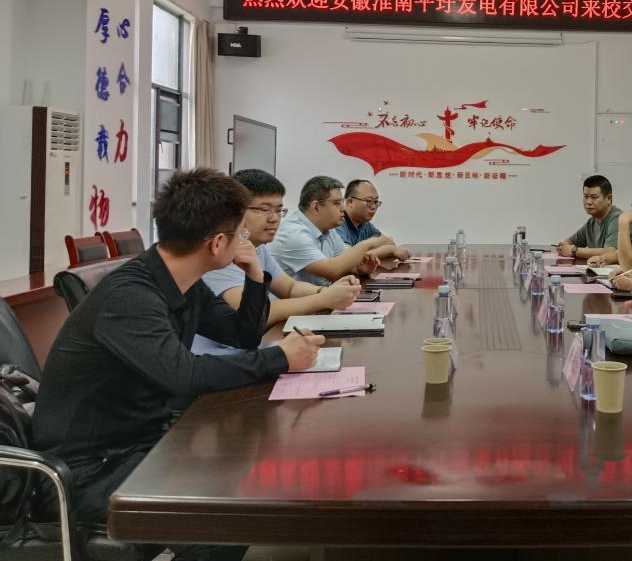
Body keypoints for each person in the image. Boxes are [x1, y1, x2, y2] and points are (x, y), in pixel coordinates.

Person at [32, 168, 325, 561]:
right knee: (221, 524)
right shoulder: (130, 296)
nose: (244, 240)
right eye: (239, 233)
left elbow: (241, 335)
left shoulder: (181, 280)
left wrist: (256, 275)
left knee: (243, 486)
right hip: (91, 468)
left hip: (141, 441)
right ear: (218, 242)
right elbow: (184, 375)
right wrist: (282, 357)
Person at [203, 169, 361, 326]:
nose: (274, 218)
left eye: (279, 210)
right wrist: (324, 299)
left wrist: (327, 292)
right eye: (264, 209)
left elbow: (290, 288)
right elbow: (252, 314)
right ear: (236, 211)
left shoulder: (257, 246)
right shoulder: (221, 250)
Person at [268, 175, 384, 286]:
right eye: (337, 203)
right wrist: (368, 244)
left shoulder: (327, 229)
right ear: (316, 206)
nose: (343, 208)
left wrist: (359, 268)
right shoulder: (293, 233)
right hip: (294, 299)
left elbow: (345, 260)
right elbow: (332, 271)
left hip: (317, 296)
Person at [337, 179, 410, 261]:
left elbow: (389, 242)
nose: (374, 207)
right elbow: (348, 258)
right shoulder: (338, 222)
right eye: (369, 201)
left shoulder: (364, 223)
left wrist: (367, 250)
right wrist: (390, 250)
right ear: (350, 201)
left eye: (376, 202)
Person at [556, 174, 621, 260]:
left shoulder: (618, 218)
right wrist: (563, 246)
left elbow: (611, 252)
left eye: (594, 197)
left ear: (609, 199)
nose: (588, 202)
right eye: (586, 197)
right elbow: (570, 242)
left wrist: (574, 250)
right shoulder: (592, 221)